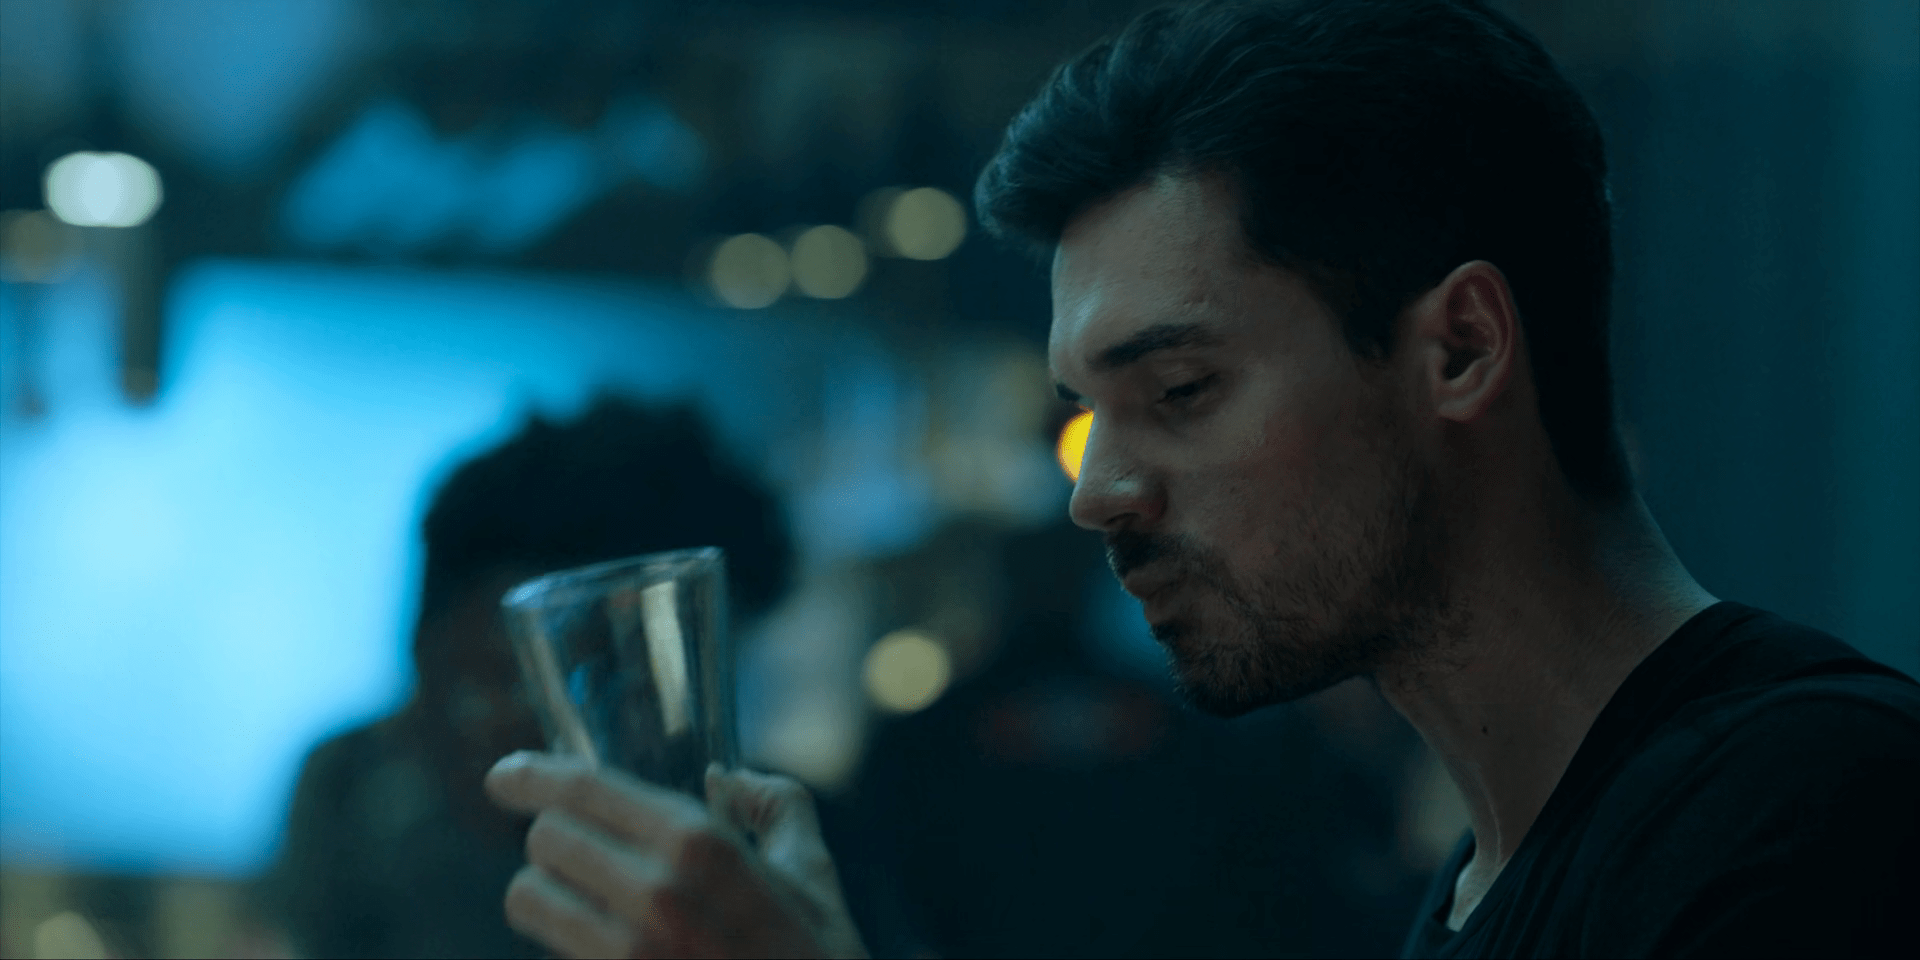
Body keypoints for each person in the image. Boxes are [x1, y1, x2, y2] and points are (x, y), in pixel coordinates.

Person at [481, 1, 1920, 957]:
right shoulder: (1487, 886)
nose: (1097, 493)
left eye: (1178, 394)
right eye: (1085, 416)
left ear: (1462, 348)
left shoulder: (1807, 817)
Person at [259, 397, 791, 958]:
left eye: (630, 698)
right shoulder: (347, 789)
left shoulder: (762, 848)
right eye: (505, 684)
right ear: (423, 650)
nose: (553, 744)